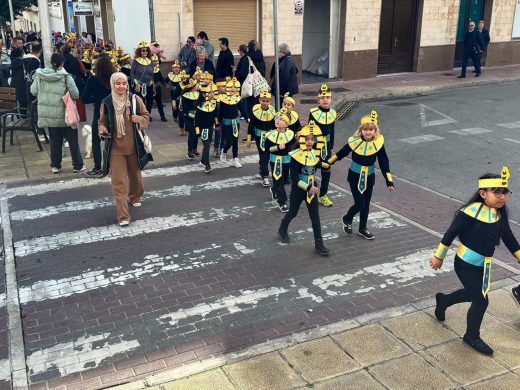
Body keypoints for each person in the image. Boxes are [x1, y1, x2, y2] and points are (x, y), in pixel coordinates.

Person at [430, 167, 520, 356]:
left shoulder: (499, 214)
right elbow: (449, 234)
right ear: (483, 193)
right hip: (464, 264)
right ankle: (472, 336)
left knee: (473, 295)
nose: (502, 197)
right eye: (497, 192)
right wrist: (438, 257)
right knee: (481, 300)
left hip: (483, 265)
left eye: (505, 192)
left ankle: (444, 300)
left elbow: (510, 240)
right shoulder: (469, 212)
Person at [328, 111, 395, 239]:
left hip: (369, 177)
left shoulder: (378, 143)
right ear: (361, 130)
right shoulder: (354, 141)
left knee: (366, 203)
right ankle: (347, 218)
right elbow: (342, 152)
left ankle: (362, 228)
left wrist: (389, 181)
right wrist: (329, 163)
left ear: (375, 130)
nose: (368, 132)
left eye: (371, 129)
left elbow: (384, 162)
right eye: (365, 129)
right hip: (354, 176)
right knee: (360, 203)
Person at [98, 72, 151, 226]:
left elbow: (146, 116)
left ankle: (135, 196)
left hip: (134, 146)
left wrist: (139, 119)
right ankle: (123, 216)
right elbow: (101, 121)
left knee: (135, 178)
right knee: (119, 183)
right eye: (117, 83)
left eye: (124, 83)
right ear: (112, 85)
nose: (121, 86)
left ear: (127, 85)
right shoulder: (107, 103)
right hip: (115, 149)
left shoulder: (135, 100)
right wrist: (102, 129)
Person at [278, 121, 330, 256]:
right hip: (299, 190)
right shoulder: (295, 156)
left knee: (315, 217)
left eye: (312, 139)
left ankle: (319, 243)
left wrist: (328, 164)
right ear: (300, 139)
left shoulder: (313, 152)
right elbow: (294, 180)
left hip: (311, 189)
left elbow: (315, 163)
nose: (309, 142)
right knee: (293, 212)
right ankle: (282, 228)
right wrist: (308, 188)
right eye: (306, 139)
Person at [30, 52, 85, 174]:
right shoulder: (66, 77)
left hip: (49, 115)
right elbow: (76, 95)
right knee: (72, 141)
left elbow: (33, 91)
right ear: (62, 63)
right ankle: (77, 165)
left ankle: (55, 166)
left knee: (55, 142)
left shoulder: (40, 75)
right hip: (65, 115)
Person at [81, 55, 114, 176]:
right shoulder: (114, 79)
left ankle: (98, 167)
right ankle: (113, 165)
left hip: (99, 114)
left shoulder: (93, 80)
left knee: (96, 141)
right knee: (113, 140)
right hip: (114, 113)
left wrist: (95, 99)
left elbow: (84, 98)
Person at [309, 84, 336, 207]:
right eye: (323, 97)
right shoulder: (313, 113)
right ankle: (310, 189)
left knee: (326, 170)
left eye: (328, 97)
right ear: (318, 99)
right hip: (315, 145)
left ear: (331, 99)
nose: (325, 99)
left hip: (327, 145)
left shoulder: (333, 113)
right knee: (311, 168)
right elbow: (310, 130)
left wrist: (331, 147)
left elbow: (333, 131)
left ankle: (323, 195)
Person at [265, 108, 296, 212]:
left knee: (284, 179)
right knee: (278, 180)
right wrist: (277, 147)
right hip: (276, 161)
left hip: (287, 160)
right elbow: (267, 148)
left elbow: (293, 146)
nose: (277, 120)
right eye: (276, 118)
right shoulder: (270, 135)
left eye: (281, 119)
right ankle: (282, 202)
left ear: (286, 124)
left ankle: (274, 190)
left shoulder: (291, 134)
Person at [247, 88, 275, 187]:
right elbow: (251, 125)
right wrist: (249, 138)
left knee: (268, 155)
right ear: (259, 100)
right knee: (263, 155)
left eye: (267, 101)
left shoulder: (272, 111)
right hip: (260, 136)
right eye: (263, 101)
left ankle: (262, 168)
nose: (265, 103)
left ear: (270, 101)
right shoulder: (255, 111)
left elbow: (274, 125)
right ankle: (265, 176)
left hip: (270, 136)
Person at [219, 77, 248, 167]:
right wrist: (217, 122)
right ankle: (224, 151)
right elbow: (220, 113)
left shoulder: (238, 99)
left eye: (235, 87)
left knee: (235, 141)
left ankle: (235, 158)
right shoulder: (222, 99)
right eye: (231, 87)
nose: (233, 89)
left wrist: (247, 118)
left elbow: (242, 110)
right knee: (229, 141)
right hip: (226, 123)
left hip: (236, 122)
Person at [195, 82, 218, 173]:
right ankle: (207, 165)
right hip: (203, 129)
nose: (212, 94)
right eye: (209, 92)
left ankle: (202, 160)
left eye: (213, 92)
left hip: (210, 128)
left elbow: (215, 116)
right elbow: (196, 121)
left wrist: (217, 125)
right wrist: (197, 132)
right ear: (204, 94)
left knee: (207, 146)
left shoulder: (213, 103)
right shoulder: (199, 106)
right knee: (207, 146)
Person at [270, 43, 298, 108]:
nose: (277, 53)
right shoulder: (285, 59)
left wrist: (280, 92)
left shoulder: (287, 61)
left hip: (284, 90)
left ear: (283, 52)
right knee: (282, 106)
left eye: (278, 51)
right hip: (285, 89)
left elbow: (284, 77)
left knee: (283, 106)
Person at [131, 41, 155, 113]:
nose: (145, 52)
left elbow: (152, 74)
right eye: (143, 50)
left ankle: (148, 113)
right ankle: (142, 115)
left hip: (149, 84)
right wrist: (136, 83)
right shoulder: (136, 61)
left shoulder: (150, 61)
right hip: (139, 84)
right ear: (139, 52)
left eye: (146, 50)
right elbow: (132, 73)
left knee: (150, 101)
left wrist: (153, 85)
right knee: (141, 102)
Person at [180, 77, 200, 159]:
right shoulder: (185, 96)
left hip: (198, 117)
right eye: (196, 85)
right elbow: (185, 110)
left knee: (197, 134)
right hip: (189, 118)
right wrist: (193, 115)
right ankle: (190, 151)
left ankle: (195, 149)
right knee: (192, 134)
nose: (197, 86)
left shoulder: (198, 94)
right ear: (192, 86)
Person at [9, 47, 27, 112]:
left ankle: (18, 116)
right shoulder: (23, 62)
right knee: (23, 104)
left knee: (16, 104)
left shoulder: (13, 63)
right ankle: (23, 118)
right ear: (22, 54)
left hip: (13, 85)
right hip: (22, 86)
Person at [151, 54, 167, 122]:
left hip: (157, 88)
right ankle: (148, 116)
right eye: (153, 61)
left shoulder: (158, 70)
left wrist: (165, 84)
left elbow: (160, 78)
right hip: (150, 88)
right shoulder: (148, 69)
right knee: (149, 103)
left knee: (159, 102)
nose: (155, 62)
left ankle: (162, 116)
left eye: (156, 61)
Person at [167, 60, 183, 125]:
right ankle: (175, 117)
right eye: (174, 68)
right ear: (172, 69)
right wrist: (167, 85)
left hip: (181, 92)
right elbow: (166, 81)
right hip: (173, 92)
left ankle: (180, 117)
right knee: (174, 105)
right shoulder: (170, 75)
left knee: (180, 105)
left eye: (178, 68)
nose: (176, 69)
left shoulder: (182, 75)